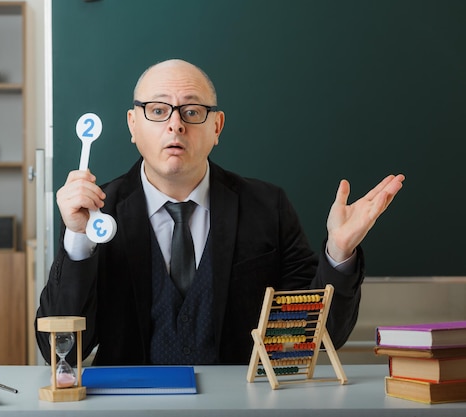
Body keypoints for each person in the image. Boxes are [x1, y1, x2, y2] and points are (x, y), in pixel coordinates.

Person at [36, 59, 405, 365]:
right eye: (158, 110)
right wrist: (78, 242)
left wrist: (338, 254)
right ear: (133, 125)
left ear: (217, 126)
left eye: (192, 111)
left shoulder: (267, 207)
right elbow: (58, 353)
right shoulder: (98, 212)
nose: (175, 124)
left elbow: (320, 338)